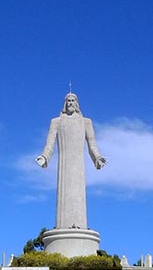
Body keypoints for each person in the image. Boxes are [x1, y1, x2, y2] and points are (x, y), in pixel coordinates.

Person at [36, 92, 106, 230]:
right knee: (64, 196)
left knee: (78, 196)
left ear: (77, 103)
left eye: (73, 100)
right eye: (68, 101)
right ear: (64, 103)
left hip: (79, 167)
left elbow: (92, 144)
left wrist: (97, 158)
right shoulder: (56, 122)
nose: (70, 103)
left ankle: (79, 225)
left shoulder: (86, 122)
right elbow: (49, 144)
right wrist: (44, 157)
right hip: (64, 165)